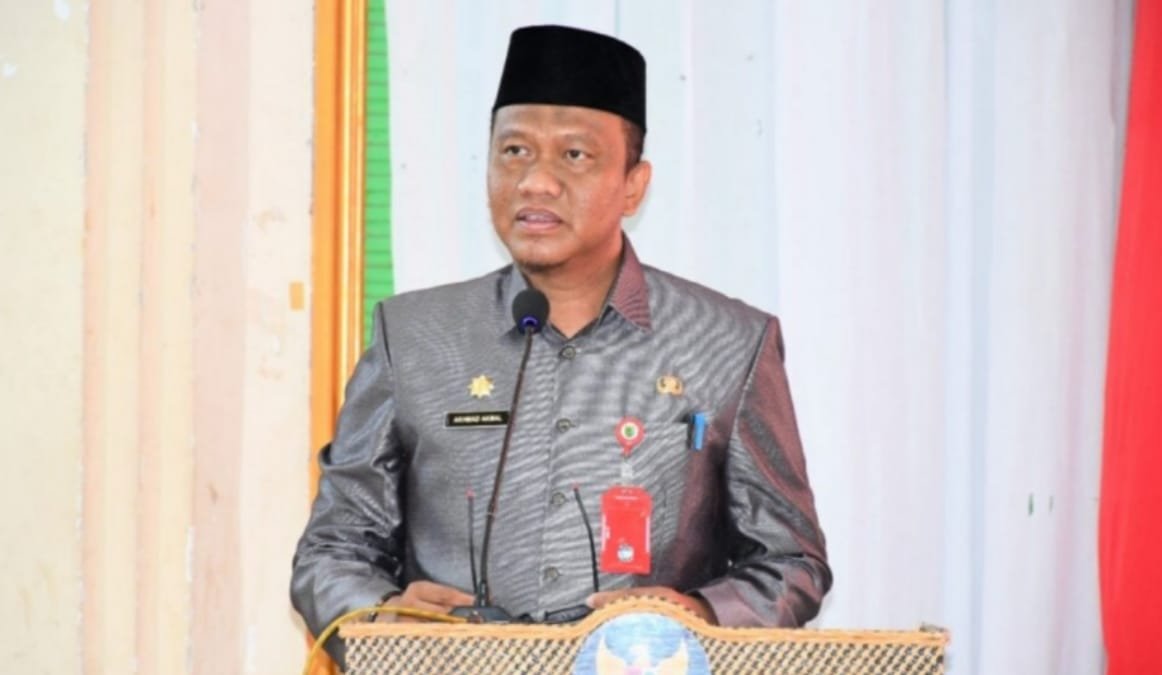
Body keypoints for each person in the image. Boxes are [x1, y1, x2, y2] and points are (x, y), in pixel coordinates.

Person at [291, 24, 831, 665]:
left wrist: (702, 617)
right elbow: (332, 550)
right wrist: (385, 619)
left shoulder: (729, 342)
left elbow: (792, 562)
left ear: (633, 185)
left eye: (574, 155)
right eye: (514, 151)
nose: (536, 181)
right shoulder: (412, 336)